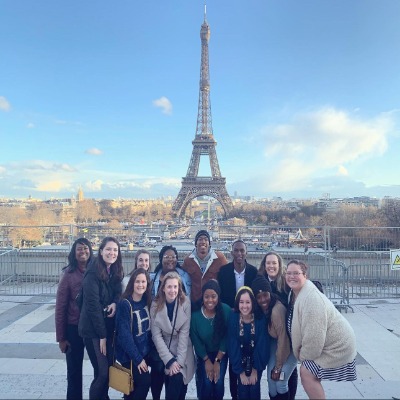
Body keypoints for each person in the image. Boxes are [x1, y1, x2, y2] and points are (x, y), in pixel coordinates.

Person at [285, 260, 357, 400]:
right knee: (310, 372)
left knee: (307, 372)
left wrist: (303, 355)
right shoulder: (295, 293)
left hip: (337, 347)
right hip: (326, 344)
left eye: (296, 273)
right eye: (288, 273)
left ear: (305, 275)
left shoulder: (312, 299)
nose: (291, 276)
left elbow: (315, 337)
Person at [78, 236, 123, 400]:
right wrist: (102, 336)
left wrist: (115, 303)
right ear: (101, 251)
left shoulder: (115, 270)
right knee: (103, 372)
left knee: (106, 369)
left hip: (108, 328)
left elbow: (119, 292)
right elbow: (93, 307)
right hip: (92, 330)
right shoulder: (92, 272)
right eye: (109, 249)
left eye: (115, 250)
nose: (112, 253)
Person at [218, 239, 258, 400]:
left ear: (246, 252)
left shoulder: (254, 272)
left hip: (249, 321)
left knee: (246, 360)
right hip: (231, 320)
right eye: (237, 250)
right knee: (233, 365)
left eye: (242, 250)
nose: (239, 253)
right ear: (232, 253)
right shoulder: (224, 271)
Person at [55, 238, 93, 400]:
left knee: (101, 370)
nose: (83, 251)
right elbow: (60, 308)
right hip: (74, 329)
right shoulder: (68, 274)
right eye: (79, 249)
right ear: (74, 252)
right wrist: (61, 338)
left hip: (92, 328)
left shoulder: (96, 272)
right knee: (74, 372)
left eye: (86, 248)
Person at [150, 271, 196, 400]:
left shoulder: (185, 303)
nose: (172, 290)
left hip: (182, 352)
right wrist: (169, 360)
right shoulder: (155, 305)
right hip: (163, 351)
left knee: (179, 385)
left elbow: (184, 334)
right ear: (163, 288)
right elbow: (156, 336)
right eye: (169, 287)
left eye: (175, 287)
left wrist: (178, 363)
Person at [259, 251, 298, 400]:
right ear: (264, 265)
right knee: (273, 378)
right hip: (272, 335)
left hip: (288, 334)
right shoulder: (262, 281)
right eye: (268, 263)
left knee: (287, 375)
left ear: (280, 265)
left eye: (274, 263)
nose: (271, 266)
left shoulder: (287, 283)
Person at [115, 268, 154, 400]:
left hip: (144, 352)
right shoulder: (125, 304)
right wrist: (138, 359)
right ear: (132, 283)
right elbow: (125, 336)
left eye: (143, 282)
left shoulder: (147, 301)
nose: (140, 285)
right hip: (130, 355)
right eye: (137, 281)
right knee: (144, 381)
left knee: (131, 389)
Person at [190, 280, 231, 400]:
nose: (210, 300)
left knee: (218, 382)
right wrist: (206, 360)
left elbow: (226, 336)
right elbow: (196, 340)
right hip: (204, 354)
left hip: (221, 353)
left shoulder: (226, 310)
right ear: (202, 297)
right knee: (207, 382)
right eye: (206, 296)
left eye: (213, 296)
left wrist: (217, 361)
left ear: (218, 296)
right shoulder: (195, 316)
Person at [228, 286, 269, 400]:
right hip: (240, 360)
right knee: (243, 389)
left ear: (253, 303)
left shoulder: (260, 319)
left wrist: (255, 369)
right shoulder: (233, 317)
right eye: (241, 302)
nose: (244, 306)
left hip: (256, 360)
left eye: (247, 302)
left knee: (254, 387)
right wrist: (240, 371)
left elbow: (262, 344)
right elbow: (233, 344)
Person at [181, 230, 227, 304]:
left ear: (209, 244)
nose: (203, 241)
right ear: (195, 244)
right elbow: (181, 278)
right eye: (200, 239)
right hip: (195, 302)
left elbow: (227, 276)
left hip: (213, 302)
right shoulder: (188, 260)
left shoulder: (219, 258)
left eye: (206, 239)